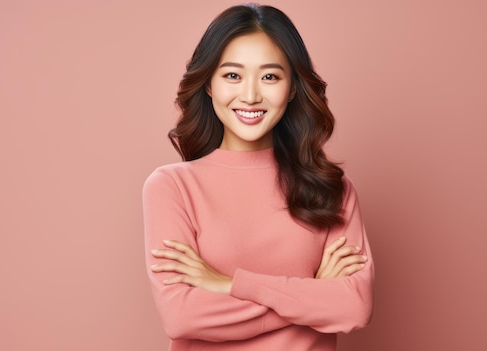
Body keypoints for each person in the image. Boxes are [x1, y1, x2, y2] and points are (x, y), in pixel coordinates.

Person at [143, 4, 374, 350]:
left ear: (293, 88)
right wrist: (311, 295)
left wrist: (226, 284)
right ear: (208, 85)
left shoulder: (331, 191)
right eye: (233, 75)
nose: (250, 95)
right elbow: (181, 317)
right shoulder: (172, 187)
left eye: (270, 76)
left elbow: (354, 307)